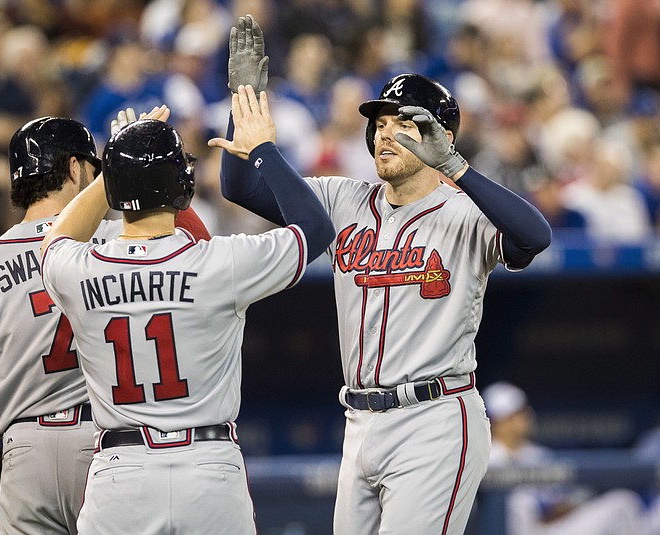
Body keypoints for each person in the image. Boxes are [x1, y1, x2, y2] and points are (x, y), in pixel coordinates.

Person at [215, 15, 552, 535]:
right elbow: (243, 188)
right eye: (381, 122)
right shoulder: (342, 198)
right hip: (359, 420)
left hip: (435, 416)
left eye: (405, 123)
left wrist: (457, 167)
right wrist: (244, 105)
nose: (387, 133)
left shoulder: (464, 212)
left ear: (443, 135)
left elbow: (535, 236)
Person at [39, 98, 334, 534]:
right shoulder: (222, 262)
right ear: (184, 186)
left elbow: (56, 238)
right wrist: (263, 151)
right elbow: (317, 229)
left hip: (121, 473)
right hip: (208, 469)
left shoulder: (80, 268)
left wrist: (119, 162)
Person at [0, 114, 210, 533]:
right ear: (76, 168)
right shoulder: (125, 240)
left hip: (26, 450)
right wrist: (139, 163)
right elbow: (198, 249)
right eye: (95, 167)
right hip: (113, 444)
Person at [482, 381, 656, 535]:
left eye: (520, 414)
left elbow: (565, 497)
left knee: (623, 504)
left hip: (554, 527)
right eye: (509, 418)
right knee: (520, 505)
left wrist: (567, 504)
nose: (517, 422)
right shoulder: (486, 456)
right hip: (510, 528)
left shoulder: (538, 454)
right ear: (495, 422)